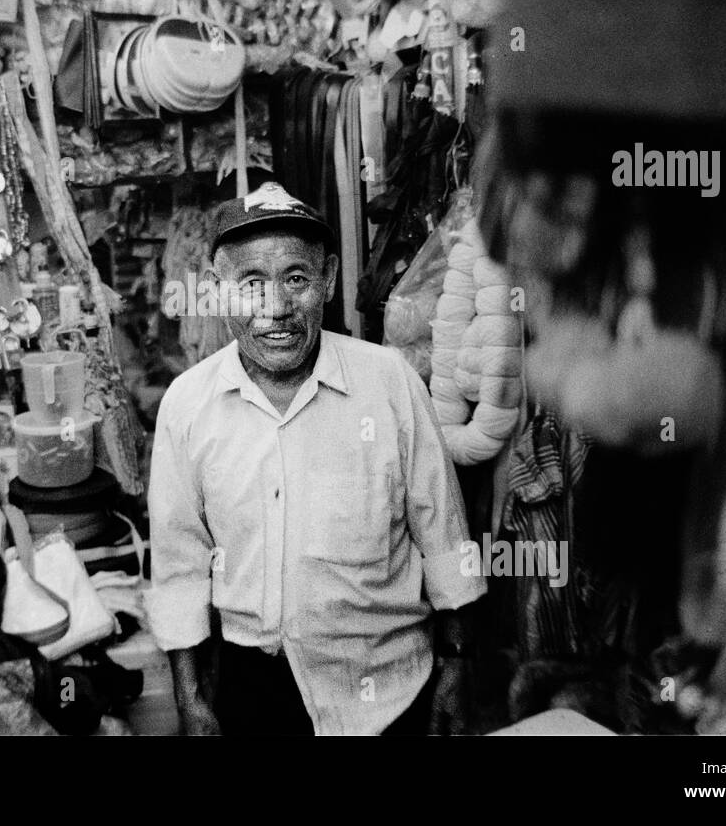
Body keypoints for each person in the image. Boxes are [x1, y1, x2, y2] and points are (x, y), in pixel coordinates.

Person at [146, 177, 486, 735]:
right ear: (215, 288)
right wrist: (189, 696)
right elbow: (180, 566)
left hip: (390, 691)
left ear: (327, 279)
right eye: (252, 283)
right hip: (254, 694)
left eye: (296, 279)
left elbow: (445, 539)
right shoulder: (188, 405)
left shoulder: (390, 382)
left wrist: (456, 669)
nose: (276, 308)